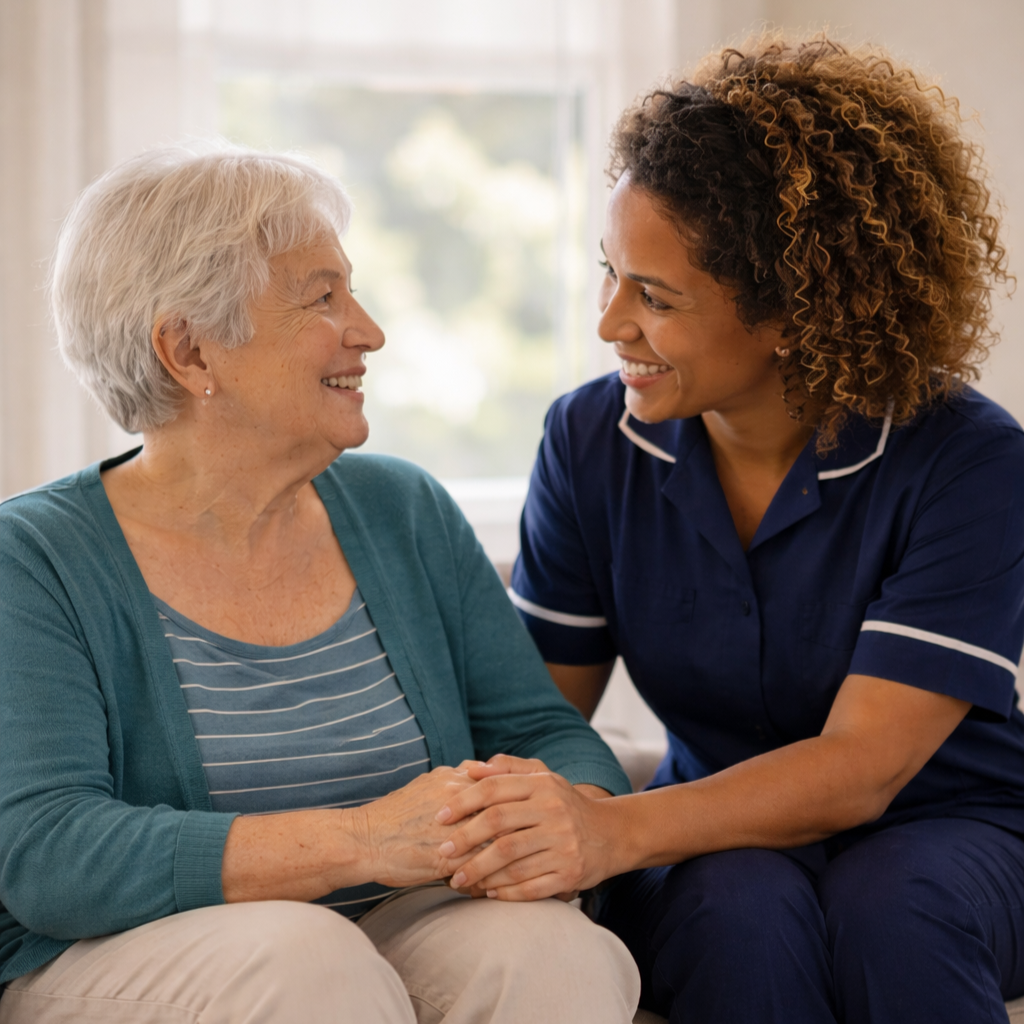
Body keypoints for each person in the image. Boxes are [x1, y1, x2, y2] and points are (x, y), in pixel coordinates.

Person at [431, 35, 1024, 1023]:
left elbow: (862, 768)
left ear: (795, 313)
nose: (609, 321)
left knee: (893, 907)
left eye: (654, 296)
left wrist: (616, 832)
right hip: (715, 837)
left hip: (954, 826)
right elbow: (532, 713)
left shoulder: (969, 462)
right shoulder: (589, 439)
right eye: (608, 273)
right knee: (734, 905)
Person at [0, 145, 641, 1024]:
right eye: (322, 297)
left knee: (551, 947)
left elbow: (540, 731)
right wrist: (367, 838)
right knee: (307, 959)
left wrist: (572, 814)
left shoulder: (402, 509)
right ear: (190, 350)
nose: (369, 329)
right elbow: (50, 855)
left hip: (391, 923)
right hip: (139, 951)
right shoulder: (32, 558)